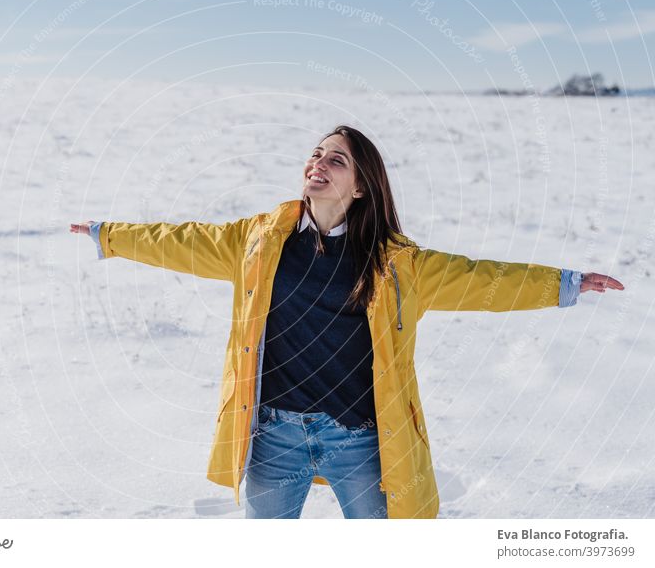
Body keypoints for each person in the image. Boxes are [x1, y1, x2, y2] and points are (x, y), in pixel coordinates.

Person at [70, 125, 624, 519]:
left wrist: (567, 283)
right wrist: (109, 235)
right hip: (274, 435)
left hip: (358, 439)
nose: (318, 164)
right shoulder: (258, 242)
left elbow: (484, 279)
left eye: (336, 160)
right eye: (315, 154)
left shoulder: (396, 263)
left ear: (361, 187)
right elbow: (182, 242)